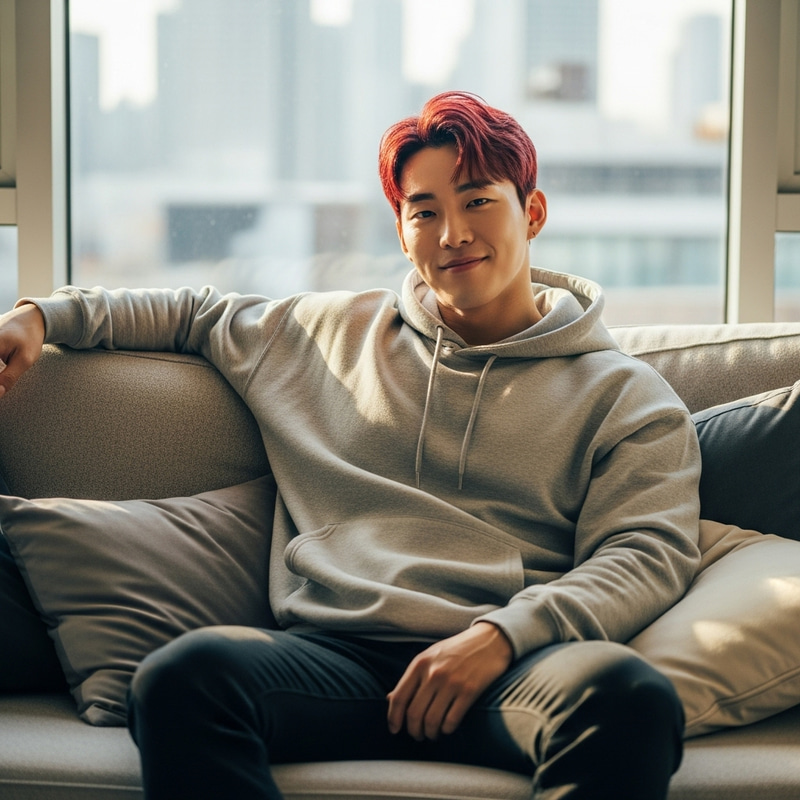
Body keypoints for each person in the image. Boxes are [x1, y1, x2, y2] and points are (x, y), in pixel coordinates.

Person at [0, 91, 701, 799]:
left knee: (631, 697)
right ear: (402, 232)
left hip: (506, 667)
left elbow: (647, 553)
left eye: (478, 201)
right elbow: (193, 313)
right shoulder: (325, 335)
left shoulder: (625, 394)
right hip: (332, 660)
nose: (452, 233)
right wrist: (41, 316)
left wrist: (504, 636)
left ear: (534, 212)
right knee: (182, 679)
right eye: (424, 211)